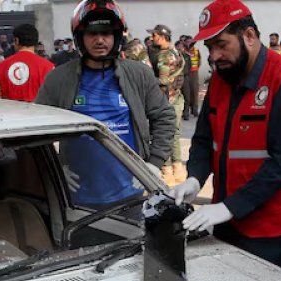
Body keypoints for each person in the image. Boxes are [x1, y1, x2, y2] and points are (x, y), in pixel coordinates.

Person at [171, 0, 281, 281]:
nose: (214, 56)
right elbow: (205, 139)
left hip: (279, 226)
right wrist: (194, 178)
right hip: (230, 220)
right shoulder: (221, 79)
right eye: (209, 48)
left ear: (250, 37)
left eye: (221, 44)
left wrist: (229, 207)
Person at [35, 0, 176, 197]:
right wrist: (54, 168)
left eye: (106, 33)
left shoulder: (139, 75)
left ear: (117, 36)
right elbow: (35, 132)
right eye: (92, 33)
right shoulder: (58, 79)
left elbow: (165, 117)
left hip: (130, 193)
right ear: (79, 37)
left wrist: (153, 163)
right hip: (77, 198)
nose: (100, 40)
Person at [148, 24, 187, 185]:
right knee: (175, 135)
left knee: (163, 134)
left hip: (166, 100)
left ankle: (167, 173)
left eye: (154, 35)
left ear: (163, 37)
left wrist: (147, 80)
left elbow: (163, 81)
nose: (151, 38)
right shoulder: (176, 52)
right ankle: (179, 171)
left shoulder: (164, 56)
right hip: (177, 97)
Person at [0, 23, 54, 102]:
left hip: (9, 113)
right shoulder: (49, 67)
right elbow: (53, 98)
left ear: (16, 40)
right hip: (40, 113)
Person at [183, 38, 201, 119]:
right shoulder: (182, 51)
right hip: (185, 74)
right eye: (187, 42)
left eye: (191, 42)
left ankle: (195, 110)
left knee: (194, 91)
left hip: (194, 73)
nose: (189, 43)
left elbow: (199, 62)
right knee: (186, 93)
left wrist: (195, 69)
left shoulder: (196, 51)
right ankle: (186, 112)